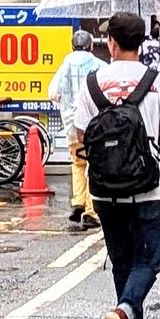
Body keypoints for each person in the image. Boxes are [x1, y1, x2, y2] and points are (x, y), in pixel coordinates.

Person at [77, 12, 160, 319]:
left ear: (111, 42)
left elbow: (82, 135)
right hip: (146, 186)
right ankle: (124, 314)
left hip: (104, 188)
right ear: (142, 42)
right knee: (150, 260)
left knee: (122, 260)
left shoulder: (93, 82)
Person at [47, 28, 103, 228]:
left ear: (72, 46)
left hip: (71, 126)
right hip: (94, 126)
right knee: (94, 166)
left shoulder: (65, 65)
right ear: (91, 46)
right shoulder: (99, 65)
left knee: (78, 164)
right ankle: (90, 211)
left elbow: (52, 93)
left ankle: (78, 202)